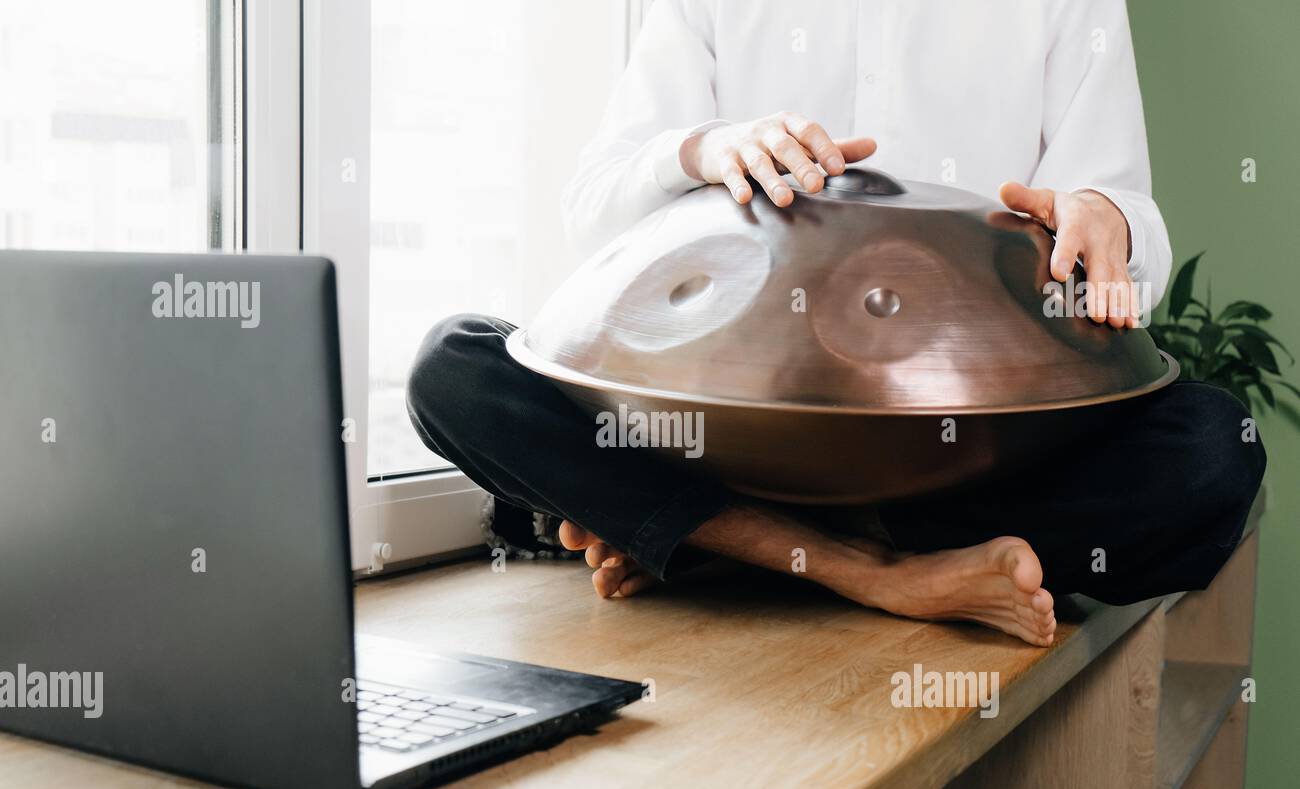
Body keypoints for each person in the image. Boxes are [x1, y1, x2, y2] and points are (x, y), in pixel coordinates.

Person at [406, 0, 1265, 646]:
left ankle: (722, 540)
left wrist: (1106, 220)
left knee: (1212, 447)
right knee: (455, 366)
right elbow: (595, 212)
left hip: (961, 454)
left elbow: (1119, 216)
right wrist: (703, 150)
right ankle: (874, 569)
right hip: (720, 428)